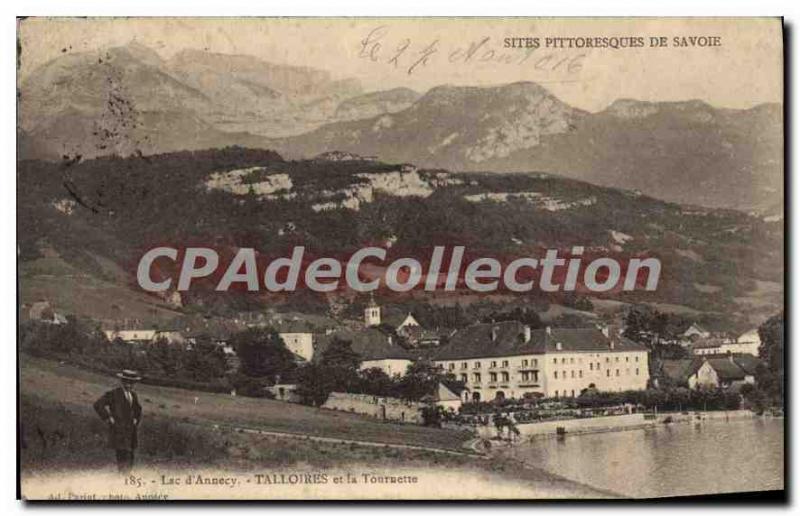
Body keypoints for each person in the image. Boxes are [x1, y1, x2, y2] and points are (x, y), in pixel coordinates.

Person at [93, 370, 143, 473]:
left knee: (130, 457)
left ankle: (127, 480)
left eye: (132, 383)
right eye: (127, 382)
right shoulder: (114, 394)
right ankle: (122, 480)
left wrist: (136, 419)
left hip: (131, 431)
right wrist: (108, 418)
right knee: (122, 456)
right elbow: (98, 404)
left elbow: (138, 409)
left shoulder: (133, 395)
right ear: (122, 382)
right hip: (119, 430)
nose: (129, 385)